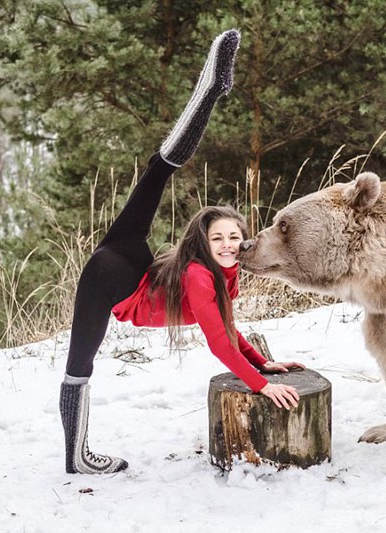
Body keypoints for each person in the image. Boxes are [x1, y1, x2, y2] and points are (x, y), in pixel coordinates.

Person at [59, 29, 304, 475]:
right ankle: (76, 458)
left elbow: (227, 327)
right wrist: (260, 385)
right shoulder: (198, 275)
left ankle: (210, 90)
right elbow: (218, 341)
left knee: (158, 170)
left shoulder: (224, 272)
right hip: (111, 280)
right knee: (79, 366)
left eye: (234, 237)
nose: (228, 245)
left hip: (129, 259)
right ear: (203, 244)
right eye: (218, 239)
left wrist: (262, 362)